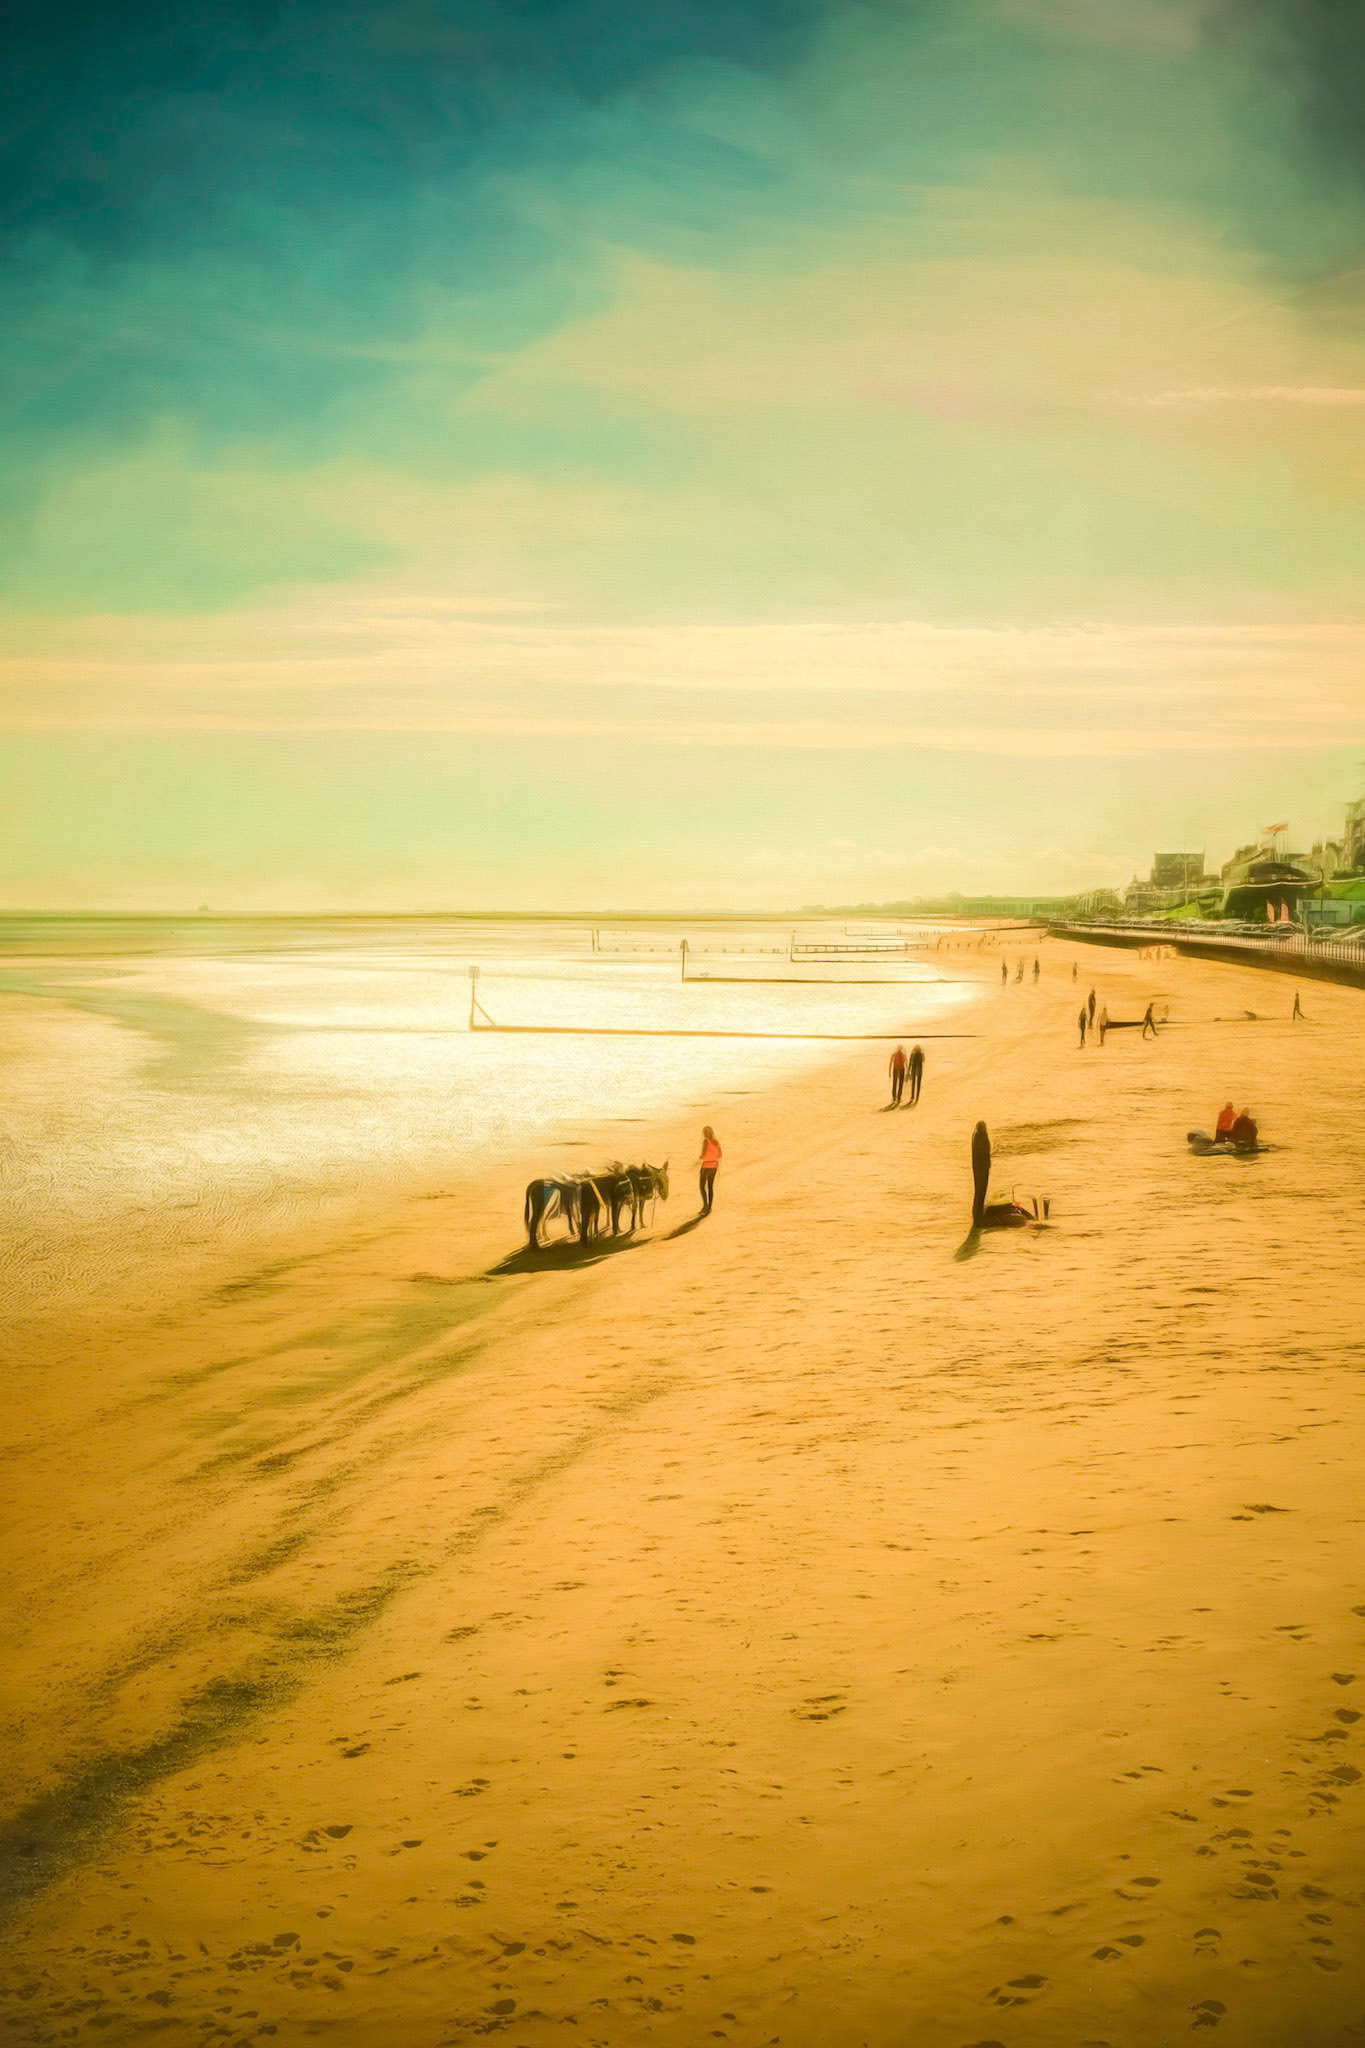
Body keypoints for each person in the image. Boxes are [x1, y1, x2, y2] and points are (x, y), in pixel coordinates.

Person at [971, 1121, 991, 1225]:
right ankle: (978, 1217)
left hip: (978, 1169)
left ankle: (977, 1215)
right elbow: (984, 1154)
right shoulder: (981, 1137)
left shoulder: (976, 1137)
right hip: (982, 1169)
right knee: (981, 1191)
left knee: (979, 1191)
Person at [698, 1125, 722, 1213]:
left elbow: (703, 1155)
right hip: (714, 1166)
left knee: (702, 1186)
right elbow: (720, 1155)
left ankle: (705, 1206)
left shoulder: (705, 1141)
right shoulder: (716, 1142)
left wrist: (700, 1157)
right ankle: (709, 1207)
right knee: (710, 1186)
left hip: (706, 1166)